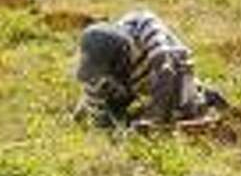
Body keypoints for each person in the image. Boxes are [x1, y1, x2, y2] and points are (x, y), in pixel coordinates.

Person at [73, 9, 228, 129]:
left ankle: (200, 93)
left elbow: (166, 69)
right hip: (128, 80)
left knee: (185, 111)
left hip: (167, 69)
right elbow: (97, 113)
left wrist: (154, 116)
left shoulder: (144, 25)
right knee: (109, 118)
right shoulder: (98, 60)